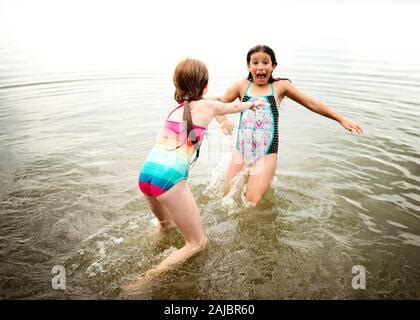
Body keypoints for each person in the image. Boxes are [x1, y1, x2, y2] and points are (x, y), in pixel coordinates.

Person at [121, 58, 267, 292]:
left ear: (177, 85)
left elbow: (212, 101)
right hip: (169, 176)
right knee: (197, 243)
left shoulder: (176, 109)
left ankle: (151, 248)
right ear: (205, 85)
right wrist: (253, 104)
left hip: (146, 172)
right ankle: (142, 282)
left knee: (166, 225)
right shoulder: (207, 106)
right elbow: (232, 107)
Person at [215, 45, 363, 207]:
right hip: (241, 150)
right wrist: (223, 121)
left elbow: (311, 103)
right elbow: (215, 105)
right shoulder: (242, 86)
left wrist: (340, 119)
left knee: (251, 203)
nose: (260, 67)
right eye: (255, 63)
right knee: (226, 198)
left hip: (266, 153)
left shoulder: (280, 87)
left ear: (273, 66)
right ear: (248, 66)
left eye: (265, 62)